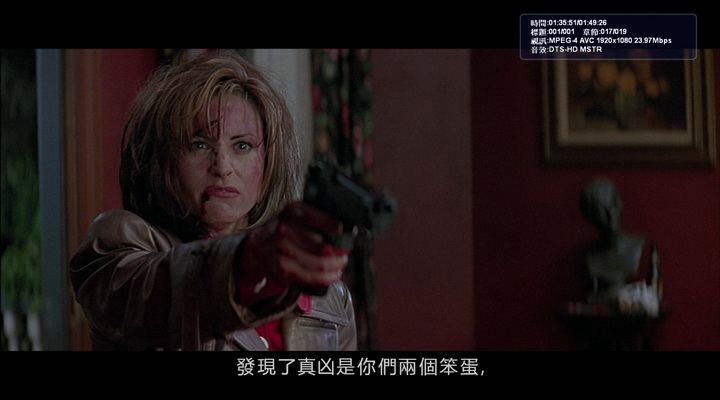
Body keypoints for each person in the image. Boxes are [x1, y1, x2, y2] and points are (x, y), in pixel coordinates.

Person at [70, 50, 357, 351]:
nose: (222, 166)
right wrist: (248, 261)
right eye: (199, 144)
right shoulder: (120, 241)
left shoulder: (331, 297)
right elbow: (161, 297)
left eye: (242, 146)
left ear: (269, 161)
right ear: (163, 158)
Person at [579, 177, 645, 304]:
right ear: (590, 217)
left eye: (612, 206)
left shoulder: (637, 247)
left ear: (620, 204)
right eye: (602, 211)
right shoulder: (591, 254)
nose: (610, 216)